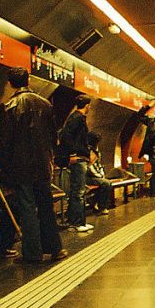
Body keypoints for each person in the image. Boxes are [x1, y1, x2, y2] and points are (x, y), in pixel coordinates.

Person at [0, 67, 67, 264]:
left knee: (27, 208)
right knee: (46, 207)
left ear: (10, 83)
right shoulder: (46, 104)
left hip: (21, 168)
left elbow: (4, 141)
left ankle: (32, 253)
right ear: (28, 81)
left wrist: (4, 167)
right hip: (43, 166)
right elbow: (54, 136)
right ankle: (55, 248)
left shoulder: (9, 106)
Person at [58, 94, 93, 232]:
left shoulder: (75, 117)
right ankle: (78, 223)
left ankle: (75, 221)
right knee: (78, 191)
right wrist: (71, 155)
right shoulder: (77, 118)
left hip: (78, 157)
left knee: (77, 190)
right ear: (87, 106)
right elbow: (65, 136)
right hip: (78, 159)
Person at [86, 131, 115, 214]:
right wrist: (100, 176)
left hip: (95, 176)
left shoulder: (96, 151)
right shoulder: (88, 151)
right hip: (88, 177)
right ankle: (102, 207)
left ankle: (95, 202)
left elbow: (98, 164)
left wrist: (102, 174)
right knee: (106, 183)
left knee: (107, 183)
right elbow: (89, 167)